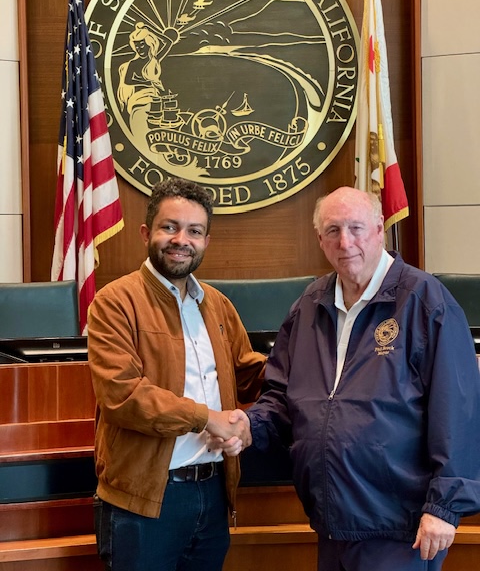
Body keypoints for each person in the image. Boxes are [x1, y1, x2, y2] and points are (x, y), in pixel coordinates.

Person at [229, 186, 480, 571]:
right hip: (332, 520)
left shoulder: (426, 302)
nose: (345, 242)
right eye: (333, 230)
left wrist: (444, 507)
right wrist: (250, 423)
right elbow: (280, 395)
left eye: (356, 228)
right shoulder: (308, 306)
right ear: (320, 240)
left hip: (400, 526)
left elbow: (458, 410)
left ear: (380, 229)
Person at [88, 177, 265, 571]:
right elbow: (123, 397)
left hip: (213, 494)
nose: (181, 239)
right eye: (170, 227)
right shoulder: (114, 302)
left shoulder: (217, 305)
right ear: (146, 232)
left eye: (194, 231)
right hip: (145, 501)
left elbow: (249, 375)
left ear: (206, 241)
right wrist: (208, 418)